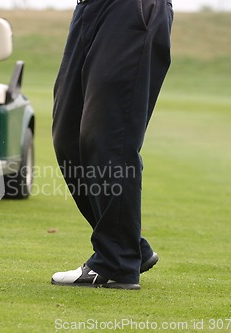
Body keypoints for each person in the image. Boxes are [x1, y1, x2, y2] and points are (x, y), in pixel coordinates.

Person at [51, 0, 173, 289]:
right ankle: (128, 248)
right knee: (68, 138)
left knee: (109, 138)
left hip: (130, 10)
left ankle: (116, 262)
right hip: (88, 10)